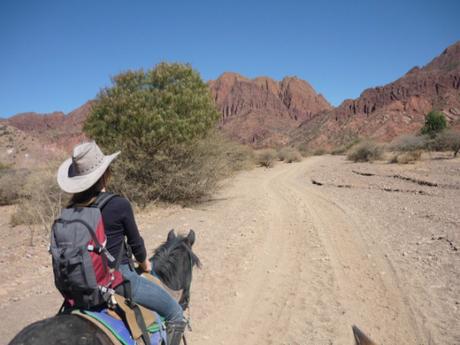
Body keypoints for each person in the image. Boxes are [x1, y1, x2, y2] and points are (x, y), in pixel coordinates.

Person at [56, 141, 185, 344]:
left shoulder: (69, 211)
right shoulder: (119, 204)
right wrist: (145, 264)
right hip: (118, 282)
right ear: (105, 173)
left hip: (78, 289)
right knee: (176, 313)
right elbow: (136, 245)